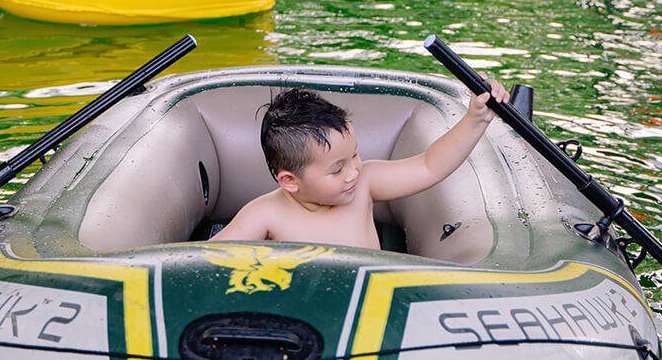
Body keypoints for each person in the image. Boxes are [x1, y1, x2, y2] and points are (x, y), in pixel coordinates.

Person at [209, 79, 509, 249]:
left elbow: (430, 166)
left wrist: (476, 119)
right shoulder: (264, 214)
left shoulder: (366, 183)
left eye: (355, 155)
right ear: (290, 181)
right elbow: (208, 258)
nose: (354, 171)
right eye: (337, 169)